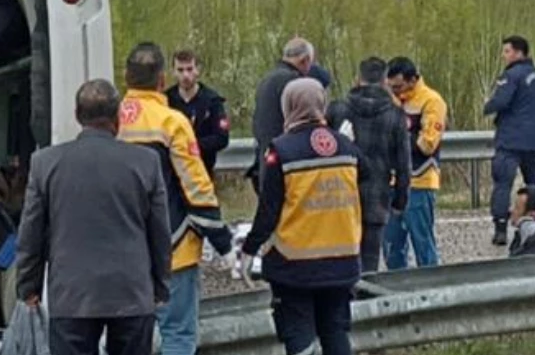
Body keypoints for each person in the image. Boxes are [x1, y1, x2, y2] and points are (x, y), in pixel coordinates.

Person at [14, 78, 171, 355]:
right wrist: (160, 284)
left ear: (77, 116)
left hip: (72, 296)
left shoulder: (46, 164)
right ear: (117, 117)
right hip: (131, 294)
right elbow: (159, 232)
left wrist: (28, 284)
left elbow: (31, 233)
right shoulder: (145, 163)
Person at [117, 42, 235, 355]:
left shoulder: (110, 120)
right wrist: (222, 241)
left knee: (129, 336)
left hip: (121, 249)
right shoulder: (171, 122)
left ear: (126, 78)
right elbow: (196, 187)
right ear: (162, 80)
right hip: (172, 248)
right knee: (179, 333)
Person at [239, 78, 362, 355]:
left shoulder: (282, 150)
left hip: (295, 261)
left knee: (298, 336)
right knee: (336, 334)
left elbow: (269, 209)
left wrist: (249, 249)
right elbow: (366, 178)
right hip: (342, 257)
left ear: (289, 106)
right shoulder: (346, 146)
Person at [326, 57, 411, 273]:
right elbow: (404, 165)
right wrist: (400, 201)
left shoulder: (337, 110)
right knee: (369, 265)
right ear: (384, 82)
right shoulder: (396, 115)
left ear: (358, 79)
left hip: (340, 197)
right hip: (377, 198)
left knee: (341, 263)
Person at [485, 35, 535, 246]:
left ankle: (500, 229)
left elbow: (500, 102)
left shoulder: (511, 75)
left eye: (507, 51)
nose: (504, 56)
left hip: (511, 140)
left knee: (503, 183)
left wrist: (488, 105)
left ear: (519, 53)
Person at [383, 57, 447, 270]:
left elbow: (427, 144)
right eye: (391, 87)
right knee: (391, 247)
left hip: (419, 181)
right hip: (391, 181)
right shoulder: (391, 101)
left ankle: (430, 285)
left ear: (412, 80)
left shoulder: (432, 101)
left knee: (423, 244)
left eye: (398, 87)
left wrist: (395, 137)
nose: (395, 92)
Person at [248, 37, 317, 193]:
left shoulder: (266, 80)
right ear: (305, 60)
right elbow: (304, 123)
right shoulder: (295, 83)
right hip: (289, 164)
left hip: (266, 160)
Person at [165, 49, 231, 179]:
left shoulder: (212, 101)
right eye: (180, 70)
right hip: (173, 176)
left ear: (197, 70)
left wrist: (193, 146)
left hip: (203, 173)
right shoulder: (166, 101)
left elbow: (222, 138)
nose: (185, 75)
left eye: (189, 69)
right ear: (173, 72)